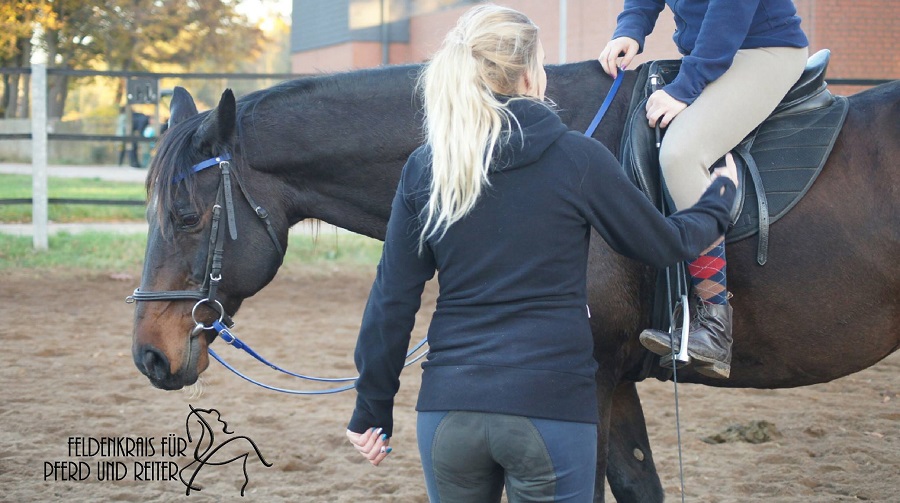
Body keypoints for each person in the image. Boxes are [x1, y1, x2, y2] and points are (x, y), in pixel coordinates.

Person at [346, 4, 737, 502]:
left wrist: (371, 409)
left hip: (448, 415)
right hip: (549, 409)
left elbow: (391, 301)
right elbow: (664, 245)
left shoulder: (427, 167)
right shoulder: (576, 157)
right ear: (531, 74)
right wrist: (717, 203)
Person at [598, 0, 809, 379]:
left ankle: (714, 324)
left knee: (681, 152)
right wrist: (630, 27)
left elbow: (729, 11)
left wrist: (685, 88)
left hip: (761, 50)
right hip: (708, 52)